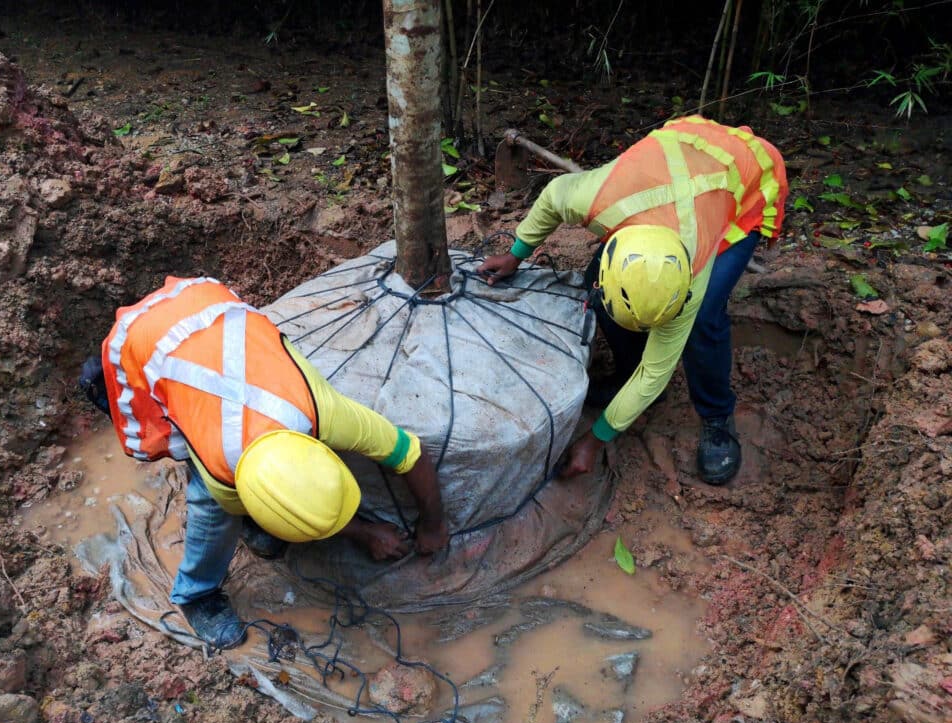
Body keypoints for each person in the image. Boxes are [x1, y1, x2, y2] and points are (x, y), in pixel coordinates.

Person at [80, 276, 448, 648]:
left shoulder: (326, 412)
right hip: (141, 340)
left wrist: (434, 524)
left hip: (206, 301)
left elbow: (411, 453)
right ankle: (196, 596)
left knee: (203, 440)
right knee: (206, 502)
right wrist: (364, 533)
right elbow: (218, 489)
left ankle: (251, 528)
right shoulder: (222, 471)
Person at [479, 116, 788, 486]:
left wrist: (596, 439)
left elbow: (656, 373)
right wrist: (516, 254)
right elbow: (552, 197)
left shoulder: (695, 267)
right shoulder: (594, 198)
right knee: (597, 290)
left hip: (745, 178)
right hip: (683, 147)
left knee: (704, 320)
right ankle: (628, 372)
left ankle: (717, 416)